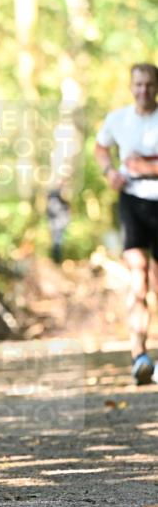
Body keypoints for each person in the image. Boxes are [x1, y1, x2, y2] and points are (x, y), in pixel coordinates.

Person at [94, 63, 158, 385]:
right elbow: (100, 147)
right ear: (131, 86)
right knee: (138, 278)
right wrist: (110, 172)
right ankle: (139, 356)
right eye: (138, 85)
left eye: (149, 85)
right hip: (132, 203)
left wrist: (142, 165)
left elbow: (140, 163)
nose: (144, 90)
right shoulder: (117, 119)